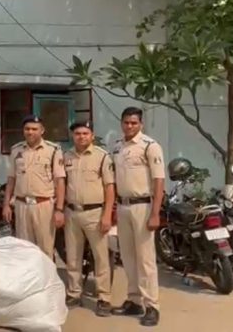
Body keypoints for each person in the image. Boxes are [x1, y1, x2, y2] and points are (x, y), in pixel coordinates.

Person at [111, 107, 164, 327]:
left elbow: (159, 181)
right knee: (128, 257)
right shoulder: (117, 147)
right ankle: (134, 300)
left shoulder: (150, 146)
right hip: (123, 206)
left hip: (143, 207)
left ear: (141, 124)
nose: (129, 126)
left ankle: (152, 305)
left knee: (145, 259)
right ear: (122, 123)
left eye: (134, 123)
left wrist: (155, 213)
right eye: (126, 122)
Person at [63, 121, 115, 317]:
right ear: (73, 136)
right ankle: (74, 293)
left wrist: (107, 215)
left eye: (85, 133)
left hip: (95, 213)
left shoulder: (102, 157)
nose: (81, 137)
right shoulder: (66, 156)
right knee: (72, 256)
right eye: (78, 133)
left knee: (100, 257)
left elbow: (110, 188)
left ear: (92, 136)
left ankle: (104, 297)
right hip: (71, 212)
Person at [2, 115, 66, 258]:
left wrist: (59, 209)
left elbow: (60, 181)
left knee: (46, 249)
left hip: (44, 205)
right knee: (24, 249)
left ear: (42, 130)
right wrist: (6, 204)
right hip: (22, 205)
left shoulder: (53, 150)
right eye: (27, 129)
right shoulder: (16, 150)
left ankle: (47, 273)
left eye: (34, 129)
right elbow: (11, 179)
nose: (30, 132)